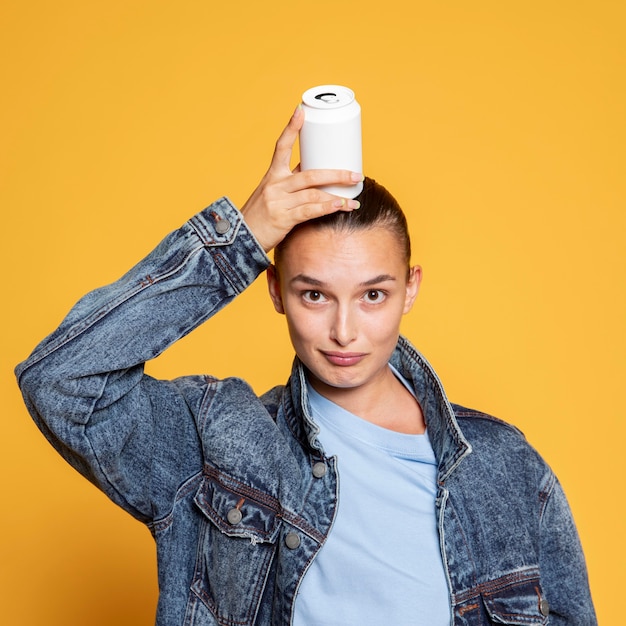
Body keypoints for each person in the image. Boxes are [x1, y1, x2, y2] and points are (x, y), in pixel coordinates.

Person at [16, 106, 596, 626]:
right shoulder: (220, 442)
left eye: (373, 295)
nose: (344, 331)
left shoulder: (505, 469)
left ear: (410, 290)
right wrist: (238, 239)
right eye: (314, 295)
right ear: (273, 290)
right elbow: (61, 379)